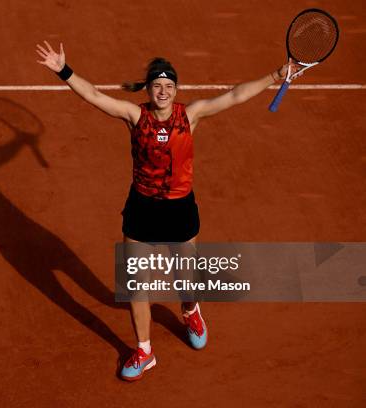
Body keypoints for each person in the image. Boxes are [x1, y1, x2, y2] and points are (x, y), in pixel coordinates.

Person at [36, 41, 300, 381]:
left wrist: (277, 74)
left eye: (169, 86)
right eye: (157, 85)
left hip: (179, 210)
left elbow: (235, 95)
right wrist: (63, 70)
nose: (163, 91)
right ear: (148, 89)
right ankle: (144, 350)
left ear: (176, 90)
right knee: (136, 285)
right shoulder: (135, 116)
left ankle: (190, 309)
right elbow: (94, 96)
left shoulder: (191, 115)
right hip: (142, 210)